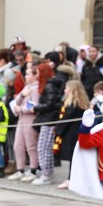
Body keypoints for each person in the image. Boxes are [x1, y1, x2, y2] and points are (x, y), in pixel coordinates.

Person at [31, 52, 66, 185]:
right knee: (44, 147)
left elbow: (50, 104)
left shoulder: (49, 86)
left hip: (49, 120)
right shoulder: (50, 85)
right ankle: (47, 172)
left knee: (43, 147)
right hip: (47, 119)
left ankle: (46, 174)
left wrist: (36, 107)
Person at [53, 80, 91, 190]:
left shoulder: (72, 106)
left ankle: (71, 179)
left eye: (66, 88)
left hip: (71, 135)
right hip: (77, 134)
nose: (65, 90)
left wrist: (57, 130)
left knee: (73, 158)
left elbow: (65, 121)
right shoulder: (82, 105)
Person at [8, 62, 40, 181]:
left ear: (35, 75)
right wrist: (22, 96)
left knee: (31, 145)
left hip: (30, 120)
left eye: (28, 74)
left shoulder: (36, 89)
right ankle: (20, 169)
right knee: (18, 145)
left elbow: (34, 106)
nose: (26, 76)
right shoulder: (27, 87)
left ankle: (33, 170)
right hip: (21, 120)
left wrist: (21, 108)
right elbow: (16, 101)